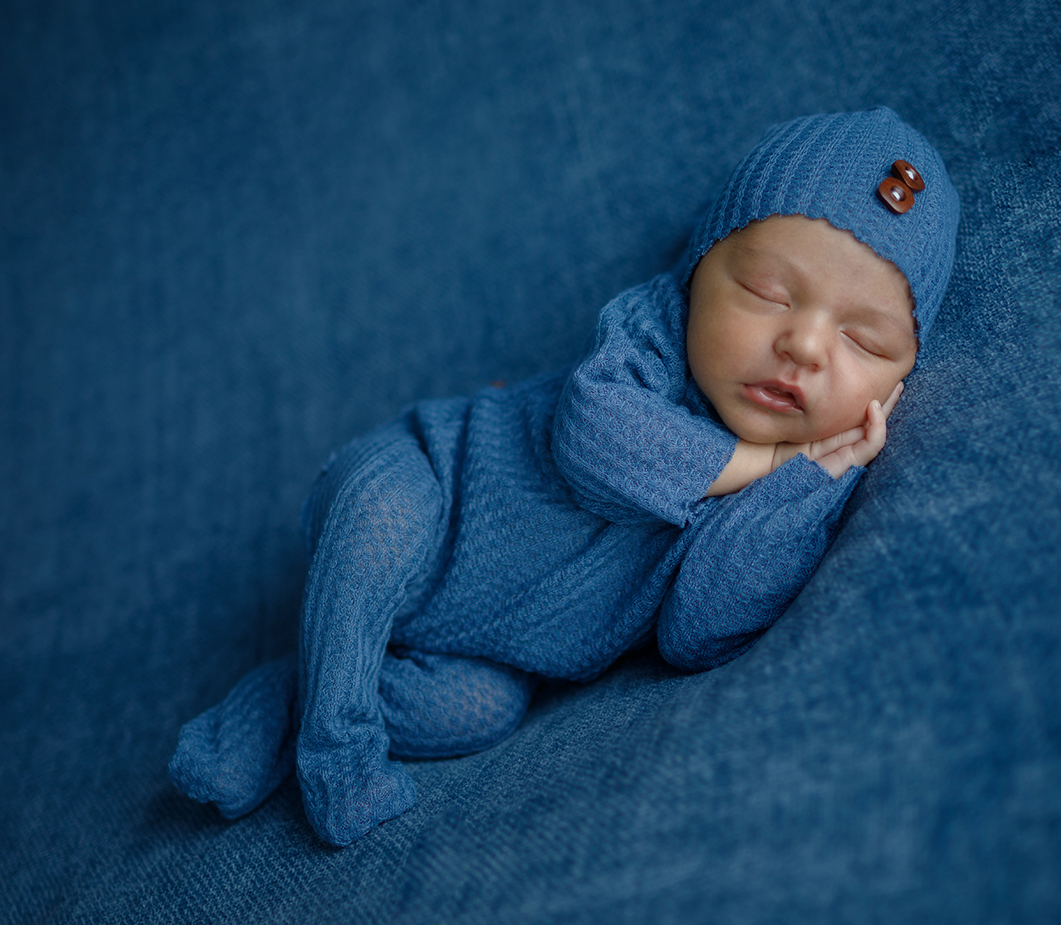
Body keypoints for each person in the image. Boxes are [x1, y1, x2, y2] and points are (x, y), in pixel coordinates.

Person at [169, 107, 961, 846]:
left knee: (474, 714)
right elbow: (595, 441)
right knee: (378, 524)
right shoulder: (646, 338)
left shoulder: (793, 481)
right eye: (767, 292)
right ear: (696, 273)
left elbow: (698, 630)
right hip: (431, 484)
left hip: (492, 650)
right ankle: (334, 750)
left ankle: (289, 695)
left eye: (864, 341)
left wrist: (801, 487)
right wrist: (760, 461)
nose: (807, 346)